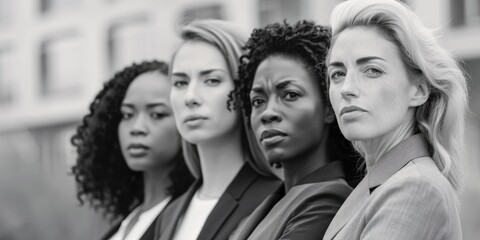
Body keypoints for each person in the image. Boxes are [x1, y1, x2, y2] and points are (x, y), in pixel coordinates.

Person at [323, 0, 468, 239]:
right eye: (337, 74)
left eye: (372, 70)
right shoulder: (382, 183)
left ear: (419, 90)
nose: (346, 88)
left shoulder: (416, 187)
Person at [230, 20, 358, 240]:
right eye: (258, 101)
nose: (268, 113)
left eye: (290, 95)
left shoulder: (328, 199)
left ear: (329, 107)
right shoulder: (272, 202)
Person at [154, 20, 281, 240]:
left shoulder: (274, 200)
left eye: (212, 80)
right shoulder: (169, 215)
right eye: (180, 82)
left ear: (244, 90)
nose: (191, 97)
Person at [71, 60, 193, 240]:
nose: (137, 127)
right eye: (128, 114)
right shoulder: (128, 222)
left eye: (157, 114)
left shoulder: (191, 217)